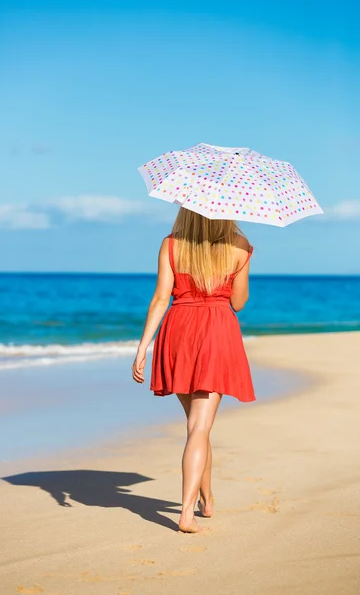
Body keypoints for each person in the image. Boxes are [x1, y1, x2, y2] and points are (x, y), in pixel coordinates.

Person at [132, 208, 255, 533]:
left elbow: (161, 298)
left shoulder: (171, 245)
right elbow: (239, 303)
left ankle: (208, 498)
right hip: (216, 332)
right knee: (200, 427)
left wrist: (143, 346)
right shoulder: (240, 246)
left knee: (197, 425)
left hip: (178, 333)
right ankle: (186, 513)